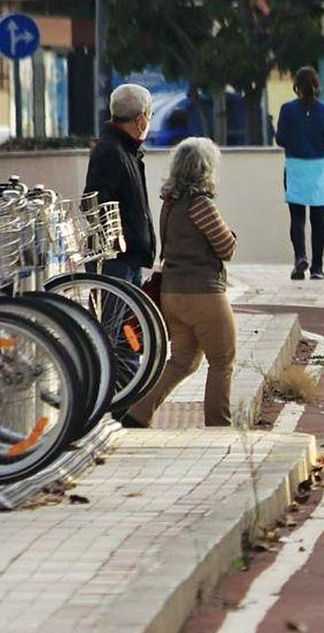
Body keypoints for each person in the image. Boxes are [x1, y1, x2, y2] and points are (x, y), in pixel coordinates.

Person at [124, 138, 238, 429]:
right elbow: (226, 248)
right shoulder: (202, 205)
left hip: (172, 293)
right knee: (222, 361)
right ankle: (219, 425)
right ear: (206, 169)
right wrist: (232, 235)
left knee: (183, 361)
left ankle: (138, 412)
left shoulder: (170, 203)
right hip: (204, 294)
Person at [85, 83, 155, 284]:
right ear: (140, 119)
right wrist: (118, 242)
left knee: (131, 315)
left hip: (129, 256)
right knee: (111, 316)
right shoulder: (112, 151)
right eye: (149, 115)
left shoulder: (125, 150)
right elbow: (93, 202)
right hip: (117, 259)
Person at [275, 67, 324, 280]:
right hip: (318, 167)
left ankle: (300, 257)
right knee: (318, 218)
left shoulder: (287, 109)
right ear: (317, 86)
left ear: (296, 87)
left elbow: (280, 139)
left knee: (297, 217)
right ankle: (318, 267)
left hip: (295, 166)